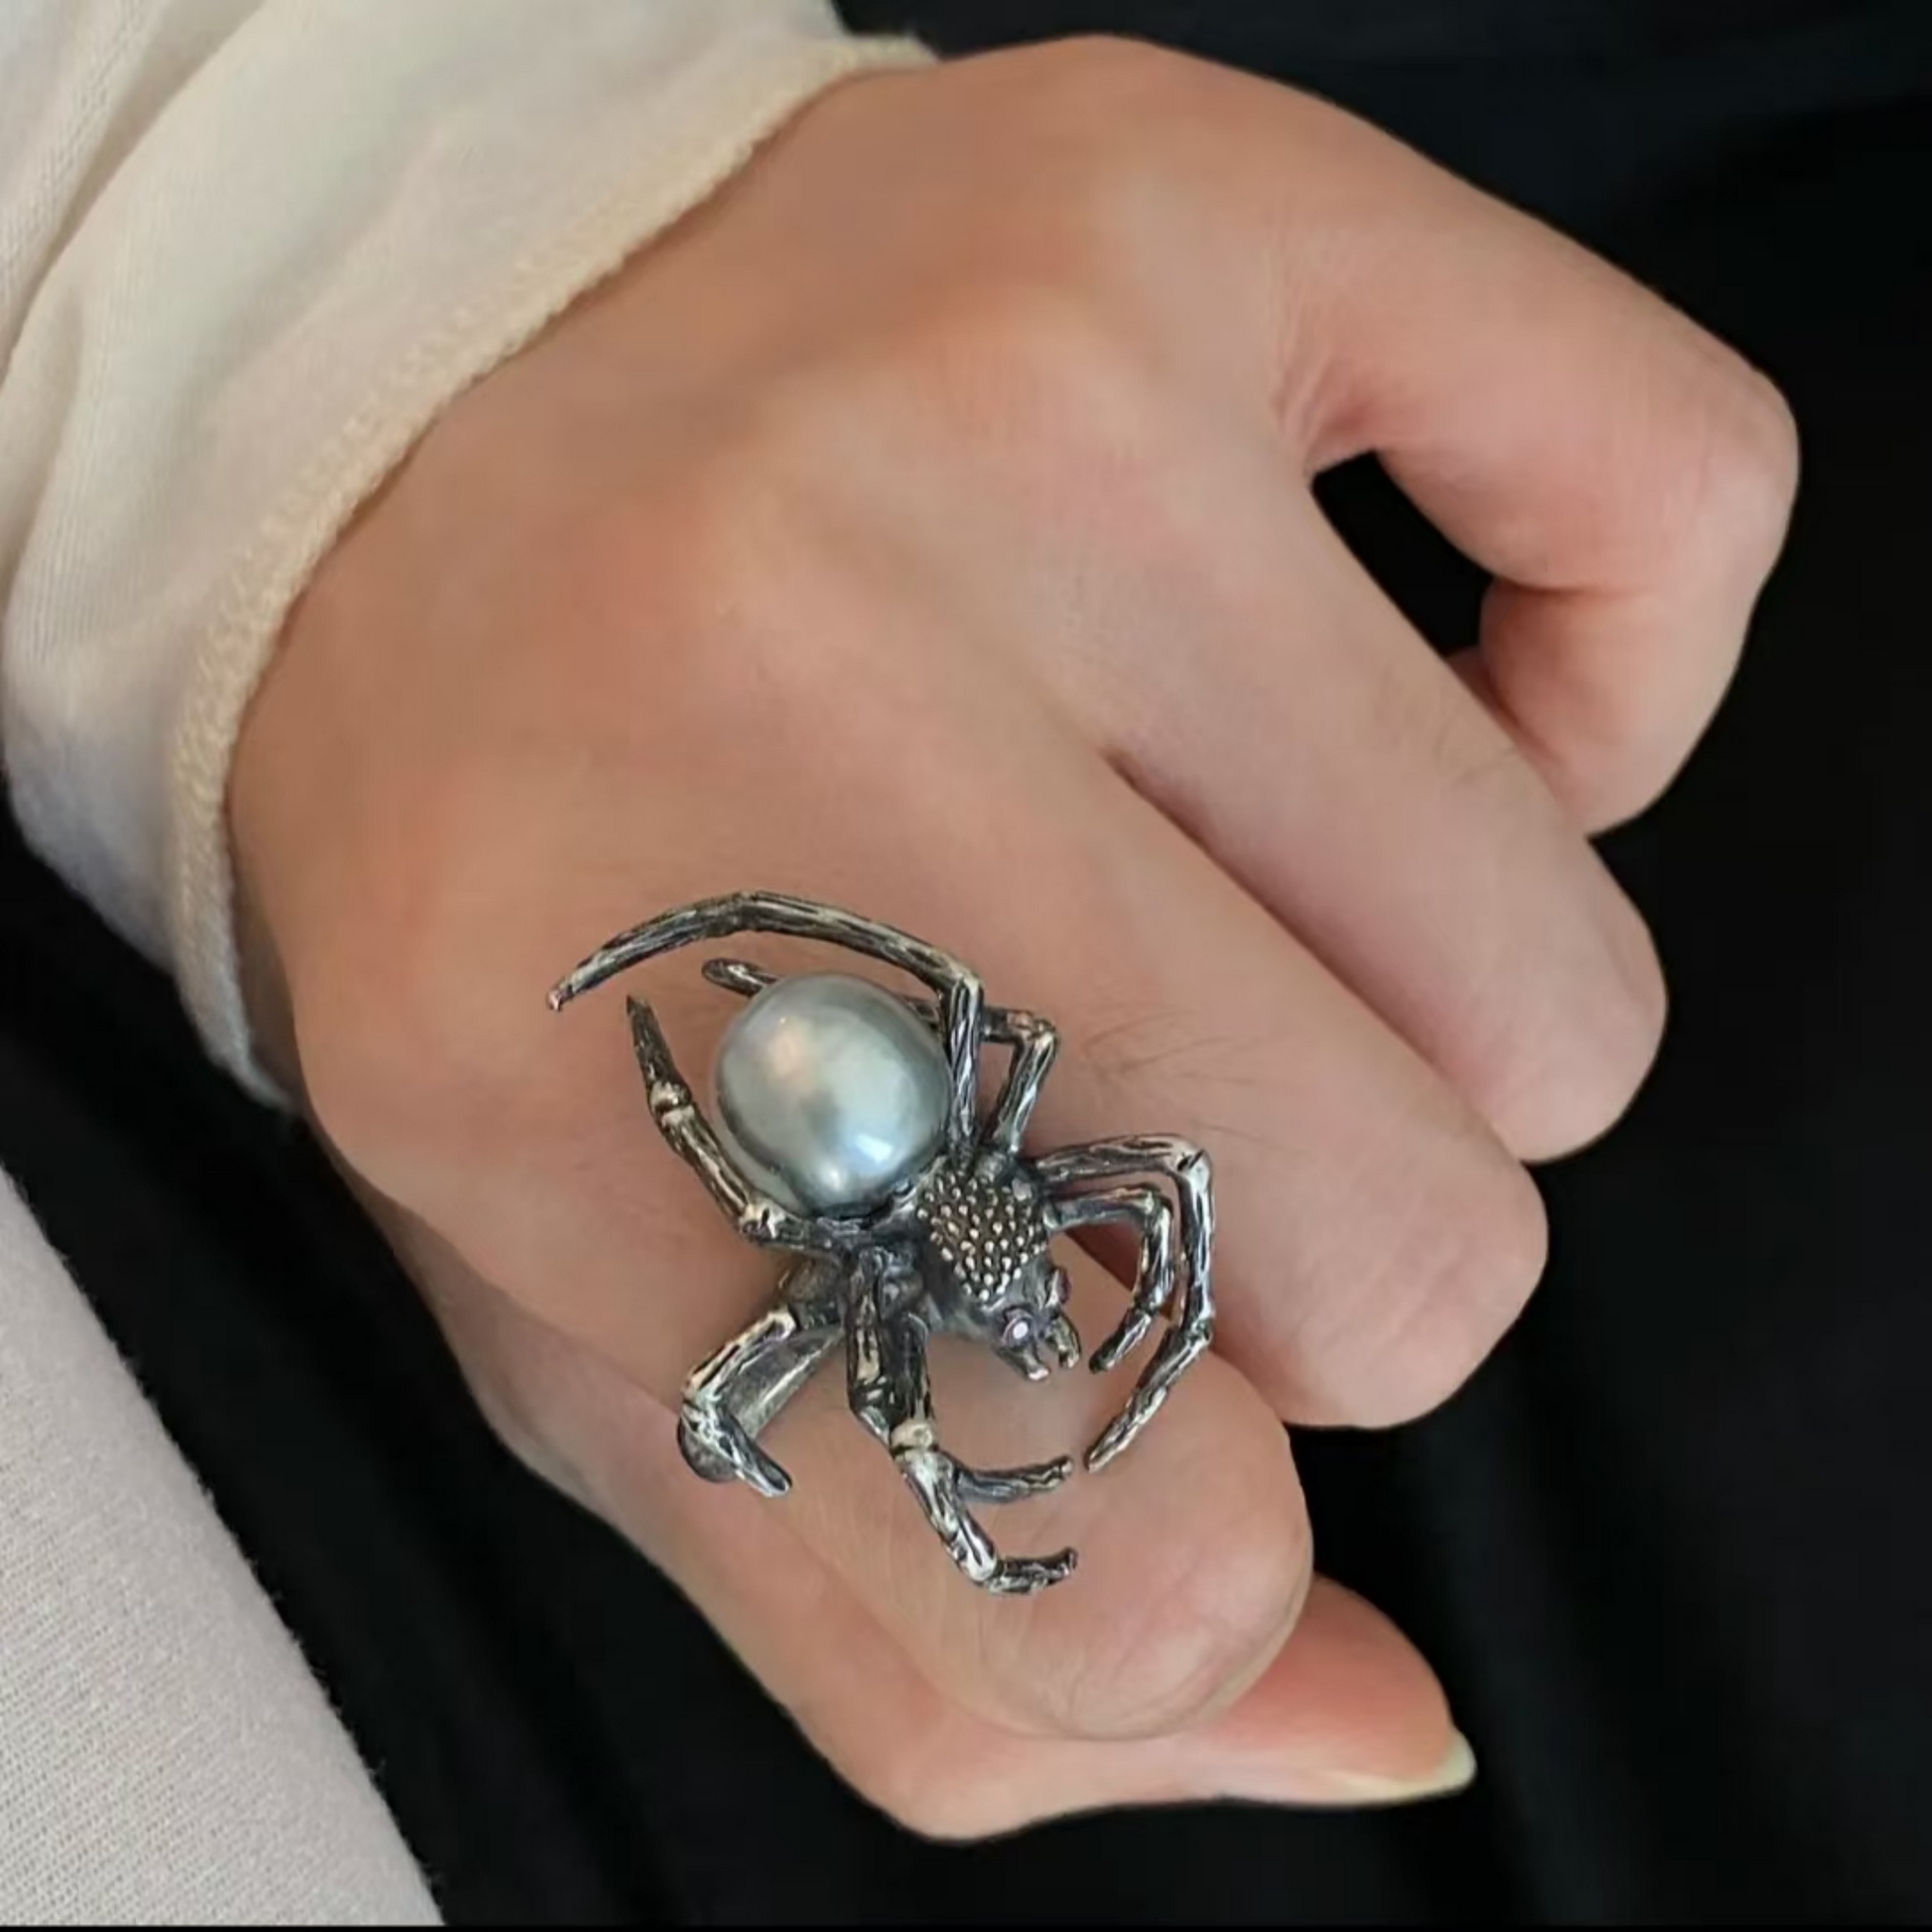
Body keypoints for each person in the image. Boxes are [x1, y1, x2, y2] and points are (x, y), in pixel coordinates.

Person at [1, 1, 1927, 1921]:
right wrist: (257, 186)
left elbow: (1100, 1204)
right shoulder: (899, 1244)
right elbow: (925, 1208)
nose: (1026, 1334)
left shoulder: (932, 1243)